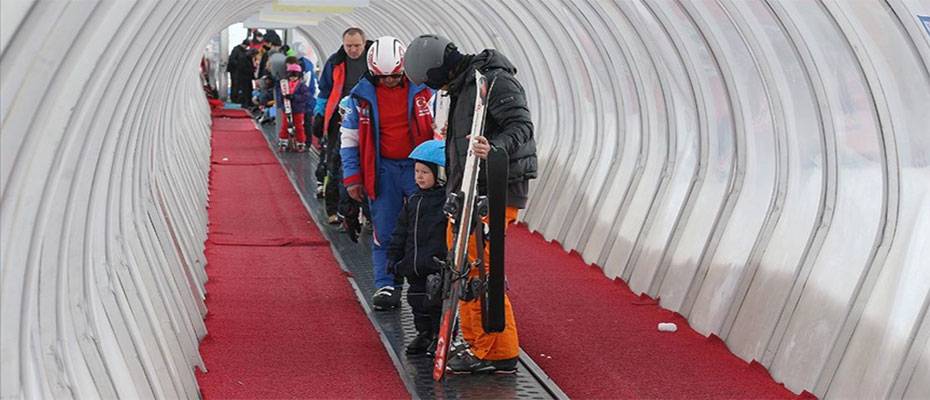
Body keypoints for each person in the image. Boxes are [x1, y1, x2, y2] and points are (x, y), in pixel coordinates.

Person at [405, 34, 538, 374]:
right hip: (469, 187)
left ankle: (497, 351)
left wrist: (493, 148)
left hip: (495, 188)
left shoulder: (494, 79)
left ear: (440, 71)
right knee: (462, 268)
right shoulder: (465, 86)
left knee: (480, 270)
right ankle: (477, 342)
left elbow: (521, 126)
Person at [340, 36, 436, 310]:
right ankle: (387, 284)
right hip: (382, 170)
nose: (390, 82)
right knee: (385, 230)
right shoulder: (359, 98)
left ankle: (426, 283)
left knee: (426, 227)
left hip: (419, 166)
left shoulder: (424, 92)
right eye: (383, 78)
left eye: (394, 76)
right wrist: (352, 178)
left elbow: (441, 128)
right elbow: (349, 140)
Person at [385, 139, 448, 355]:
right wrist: (394, 258)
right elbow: (400, 232)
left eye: (425, 172)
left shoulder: (446, 203)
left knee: (436, 303)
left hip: (436, 266)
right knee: (416, 301)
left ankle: (440, 335)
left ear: (440, 174)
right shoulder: (413, 201)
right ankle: (424, 334)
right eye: (417, 171)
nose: (419, 177)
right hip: (414, 265)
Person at [312, 27, 372, 224]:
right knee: (335, 164)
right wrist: (319, 114)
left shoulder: (374, 60)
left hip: (367, 120)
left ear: (364, 43)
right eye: (349, 46)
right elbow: (324, 90)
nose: (353, 50)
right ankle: (335, 209)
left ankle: (365, 212)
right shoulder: (335, 62)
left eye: (356, 46)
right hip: (339, 121)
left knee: (366, 163)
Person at [276, 61, 311, 151]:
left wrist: (294, 97)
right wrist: (281, 103)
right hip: (287, 110)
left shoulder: (302, 86)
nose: (292, 78)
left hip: (298, 110)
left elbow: (305, 97)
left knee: (299, 126)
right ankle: (283, 142)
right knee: (285, 125)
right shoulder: (285, 85)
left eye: (295, 76)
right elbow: (280, 96)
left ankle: (300, 142)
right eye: (291, 76)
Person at [227, 39, 253, 107]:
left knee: (238, 85)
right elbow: (233, 60)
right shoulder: (236, 50)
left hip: (239, 72)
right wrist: (239, 65)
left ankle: (237, 98)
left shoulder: (239, 50)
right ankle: (234, 99)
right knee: (235, 85)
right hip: (235, 71)